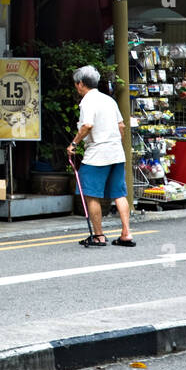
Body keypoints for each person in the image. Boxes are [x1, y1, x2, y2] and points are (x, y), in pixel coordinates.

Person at [70, 65, 134, 248]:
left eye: (76, 84)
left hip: (97, 154)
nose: (76, 87)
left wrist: (73, 144)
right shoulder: (109, 100)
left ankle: (99, 236)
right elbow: (121, 126)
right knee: (119, 194)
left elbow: (87, 125)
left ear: (81, 84)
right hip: (116, 152)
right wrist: (115, 142)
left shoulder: (87, 102)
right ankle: (126, 233)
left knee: (91, 194)